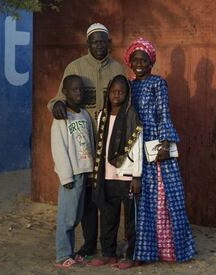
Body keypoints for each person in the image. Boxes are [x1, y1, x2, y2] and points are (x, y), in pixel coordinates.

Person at [47, 23, 126, 260]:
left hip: (110, 143)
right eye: (94, 41)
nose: (99, 45)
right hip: (84, 148)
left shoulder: (117, 69)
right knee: (89, 198)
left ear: (109, 43)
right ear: (87, 44)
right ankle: (89, 244)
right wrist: (56, 105)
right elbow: (57, 100)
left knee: (109, 195)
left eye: (103, 41)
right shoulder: (75, 67)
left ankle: (108, 246)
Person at [124, 38, 196, 262]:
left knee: (163, 198)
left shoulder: (158, 83)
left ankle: (170, 251)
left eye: (143, 60)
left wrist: (165, 142)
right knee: (141, 199)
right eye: (135, 59)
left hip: (156, 147)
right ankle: (144, 251)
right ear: (129, 62)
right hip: (135, 146)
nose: (139, 63)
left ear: (150, 62)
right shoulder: (129, 85)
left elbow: (164, 114)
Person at [89, 75, 143, 269]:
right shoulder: (102, 115)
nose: (117, 95)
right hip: (107, 175)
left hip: (127, 177)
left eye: (121, 91)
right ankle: (108, 253)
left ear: (127, 94)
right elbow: (100, 147)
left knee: (130, 219)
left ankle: (131, 254)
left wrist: (136, 175)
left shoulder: (131, 115)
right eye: (113, 91)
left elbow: (136, 147)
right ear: (108, 93)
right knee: (108, 216)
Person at [51, 75, 95, 268]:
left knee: (76, 216)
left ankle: (70, 251)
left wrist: (92, 169)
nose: (79, 93)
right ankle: (62, 255)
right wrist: (65, 176)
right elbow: (58, 149)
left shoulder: (84, 115)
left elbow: (91, 143)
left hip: (85, 172)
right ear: (65, 93)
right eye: (75, 90)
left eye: (81, 89)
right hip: (71, 174)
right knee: (67, 217)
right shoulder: (61, 118)